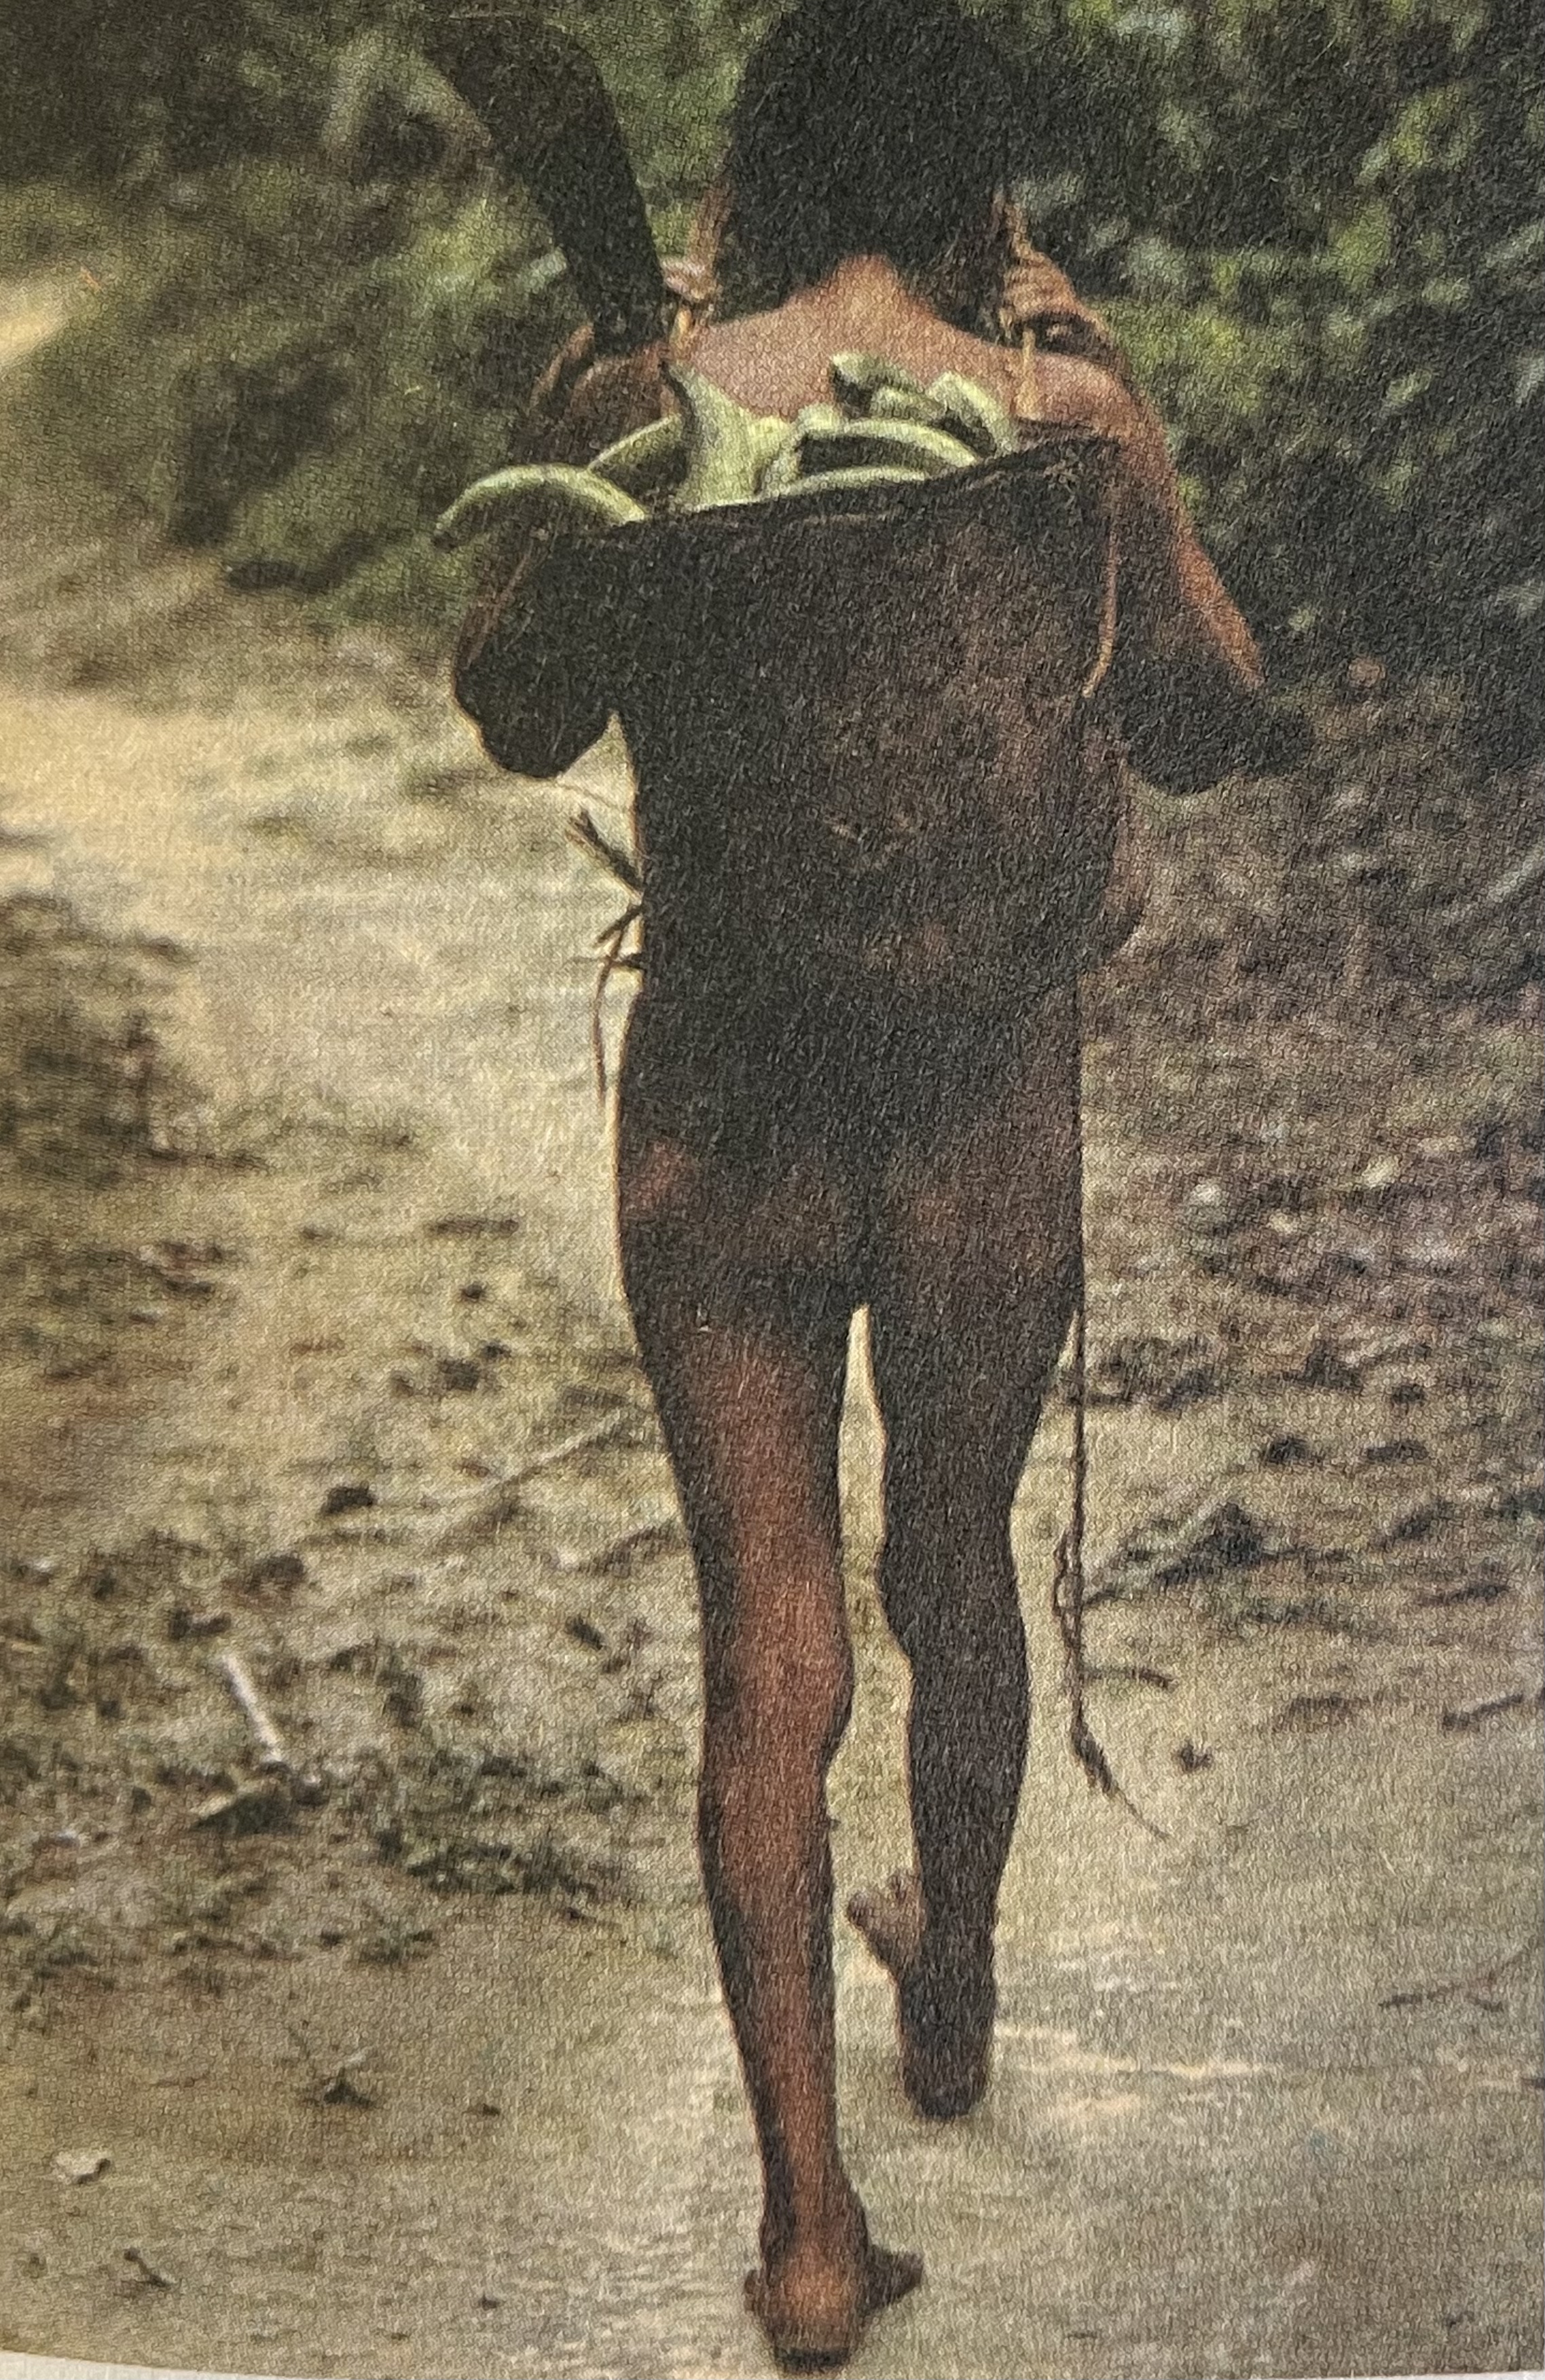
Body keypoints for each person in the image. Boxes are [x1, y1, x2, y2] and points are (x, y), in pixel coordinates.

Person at [455, 2, 1295, 2362]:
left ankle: (808, 2233)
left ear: (753, 168)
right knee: (952, 1559)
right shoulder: (1052, 413)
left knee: (769, 1647)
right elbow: (1214, 717)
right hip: (969, 1114)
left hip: (724, 1108)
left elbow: (516, 712)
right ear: (976, 183)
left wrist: (604, 413)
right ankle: (958, 1985)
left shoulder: (654, 403)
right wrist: (1103, 413)